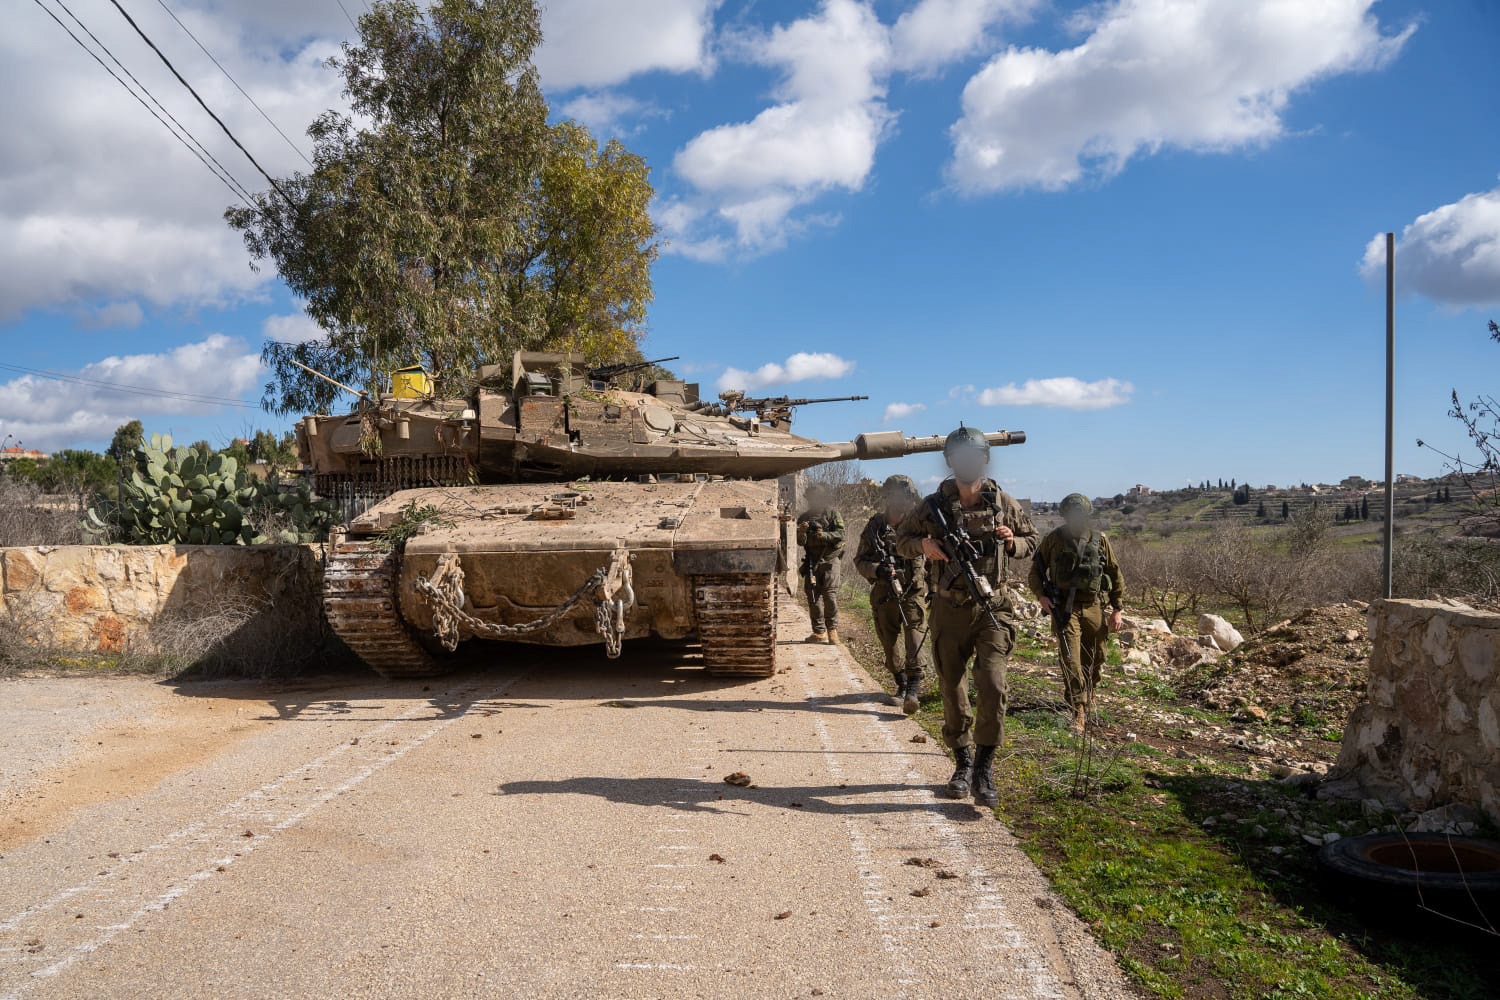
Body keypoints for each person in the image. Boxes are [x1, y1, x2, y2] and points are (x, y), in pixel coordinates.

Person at [896, 427, 1037, 807]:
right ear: (950, 461)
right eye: (960, 457)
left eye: (973, 457)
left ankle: (984, 769)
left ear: (985, 459)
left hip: (994, 607)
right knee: (952, 688)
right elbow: (902, 542)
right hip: (948, 607)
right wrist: (923, 544)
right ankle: (961, 762)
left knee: (992, 685)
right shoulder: (932, 505)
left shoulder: (1004, 502)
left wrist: (1012, 541)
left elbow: (1031, 541)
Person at [1028, 493, 1124, 732]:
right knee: (1071, 659)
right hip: (1065, 609)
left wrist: (1117, 609)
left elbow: (1114, 572)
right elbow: (1035, 572)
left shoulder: (1100, 540)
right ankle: (1078, 710)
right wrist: (1041, 596)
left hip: (1094, 606)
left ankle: (1090, 693)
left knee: (1097, 657)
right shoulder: (1053, 540)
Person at [854, 475, 928, 714]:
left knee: (914, 640)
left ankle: (913, 691)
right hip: (884, 594)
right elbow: (860, 560)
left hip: (912, 593)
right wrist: (877, 570)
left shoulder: (920, 525)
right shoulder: (875, 526)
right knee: (889, 644)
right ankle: (901, 682)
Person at [796, 482, 846, 644]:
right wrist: (802, 532)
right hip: (812, 562)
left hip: (830, 560)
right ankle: (819, 632)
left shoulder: (832, 514)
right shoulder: (804, 518)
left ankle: (832, 630)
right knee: (812, 596)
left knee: (830, 595)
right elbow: (800, 542)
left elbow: (841, 534)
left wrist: (823, 535)